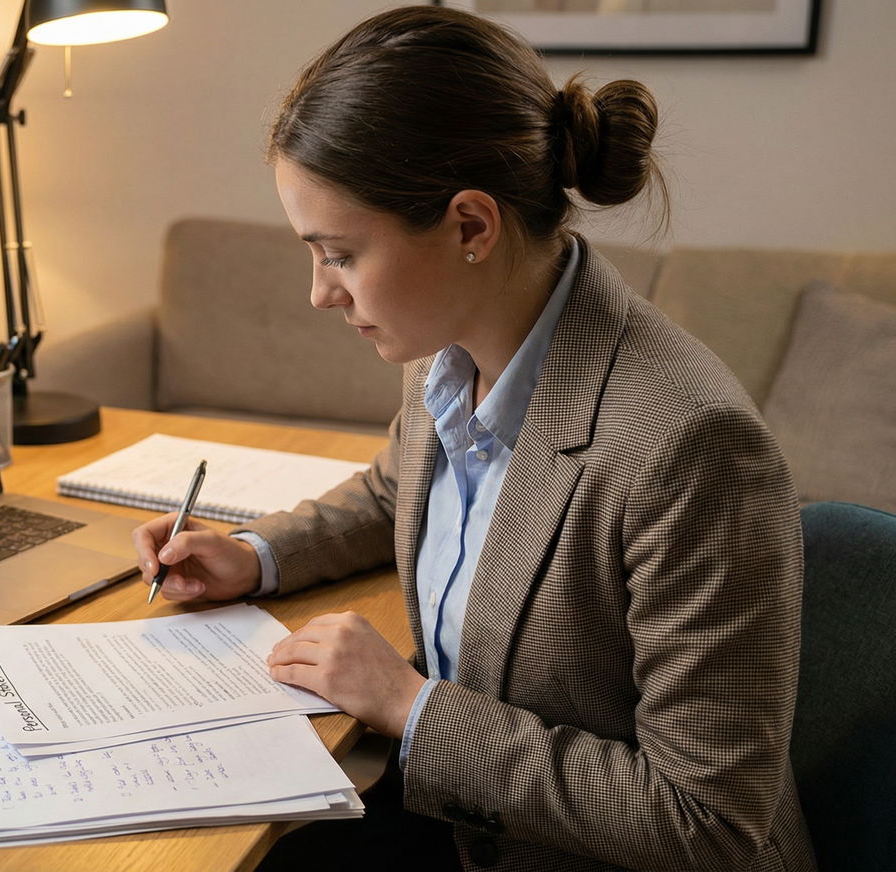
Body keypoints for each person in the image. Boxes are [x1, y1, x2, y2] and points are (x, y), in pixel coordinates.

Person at [132, 7, 812, 870]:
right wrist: (256, 555)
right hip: (463, 817)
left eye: (339, 254)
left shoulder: (692, 448)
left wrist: (410, 707)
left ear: (470, 228)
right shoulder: (449, 341)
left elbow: (705, 822)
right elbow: (398, 489)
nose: (320, 293)